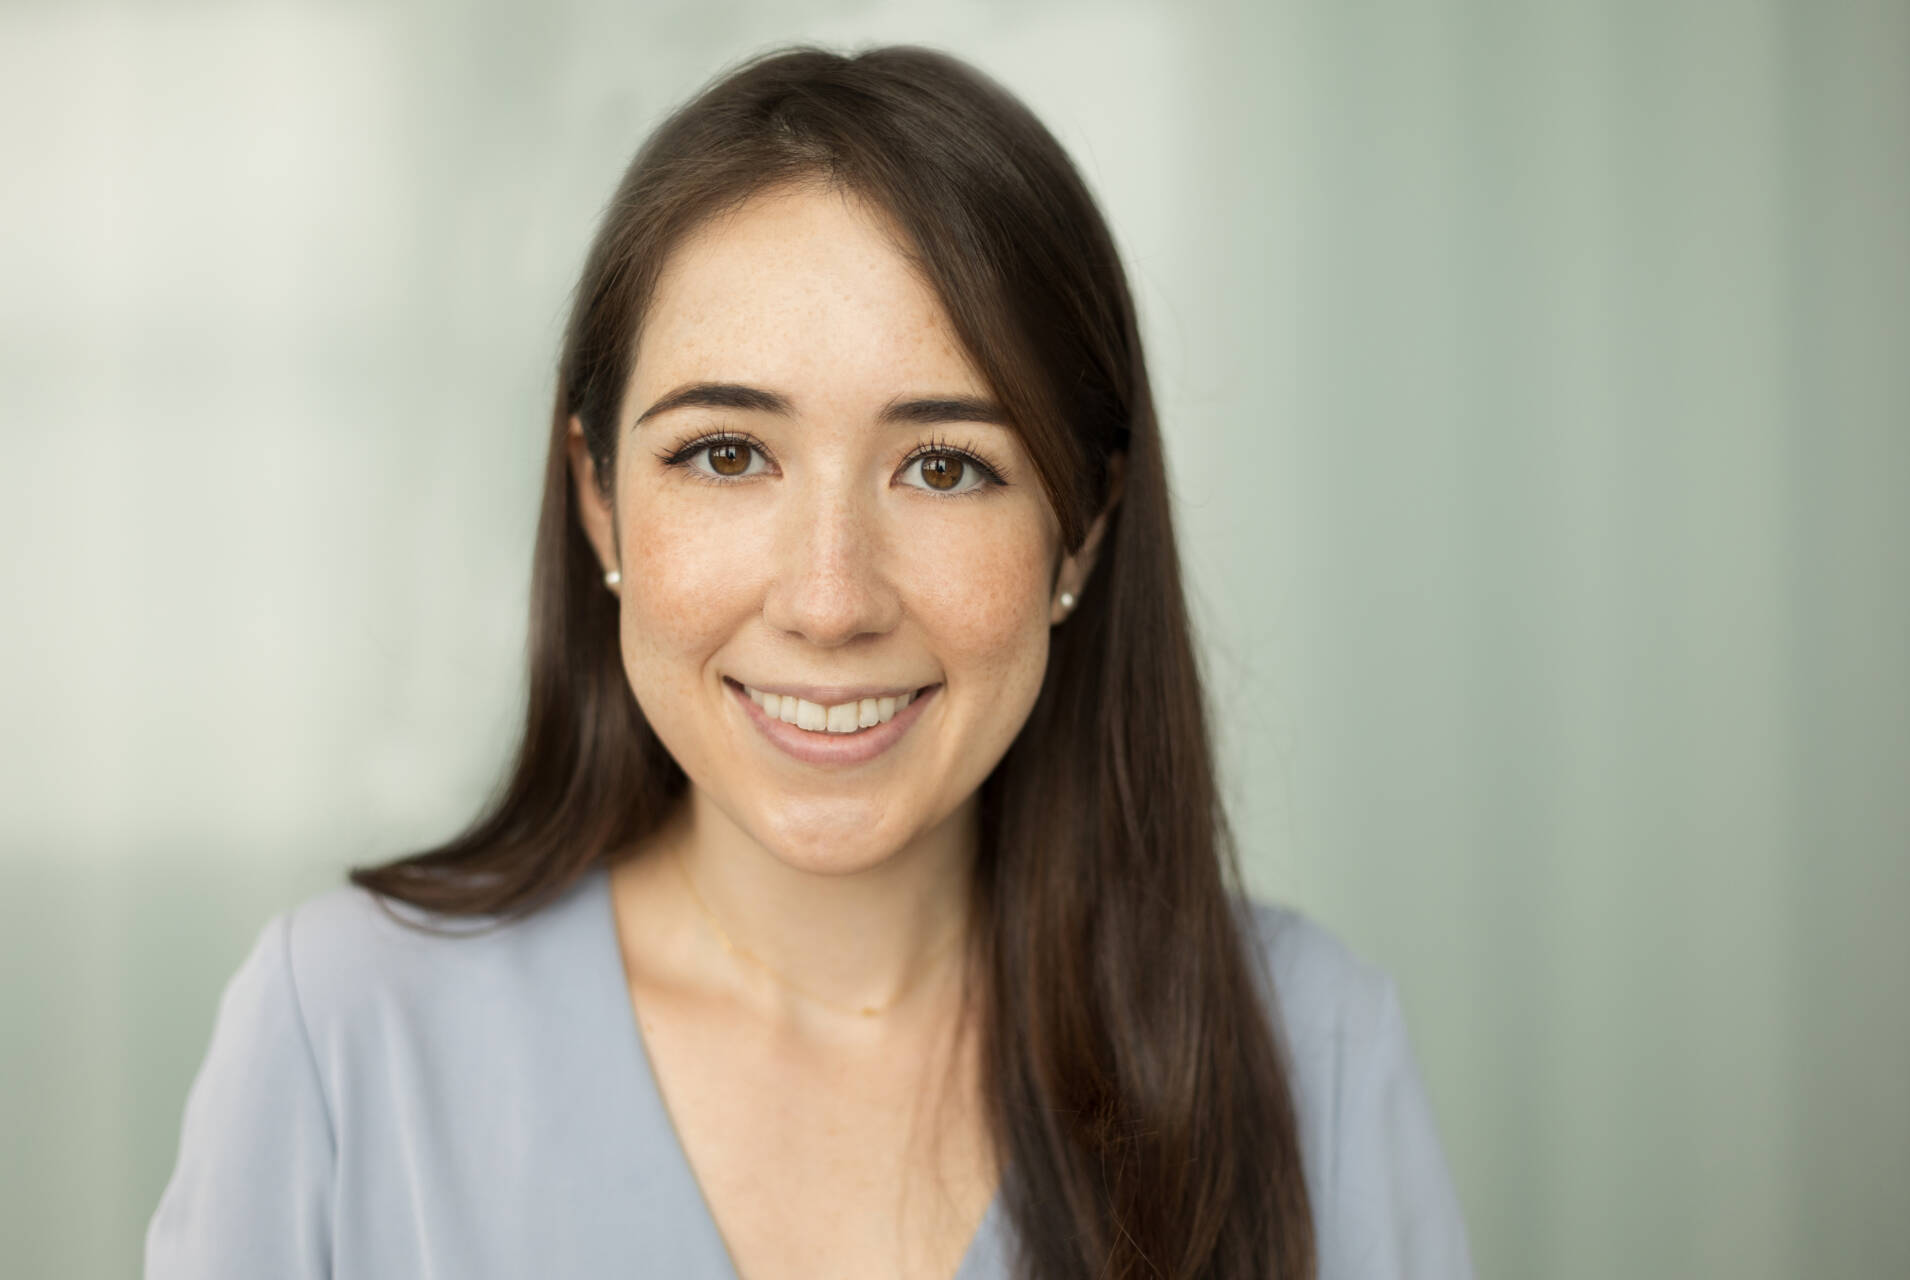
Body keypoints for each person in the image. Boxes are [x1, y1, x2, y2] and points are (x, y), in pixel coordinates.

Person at [144, 43, 1474, 1280]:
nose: (831, 601)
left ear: (1084, 531)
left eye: (946, 466)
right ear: (599, 497)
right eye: (727, 454)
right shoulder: (342, 1035)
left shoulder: (1315, 1055)